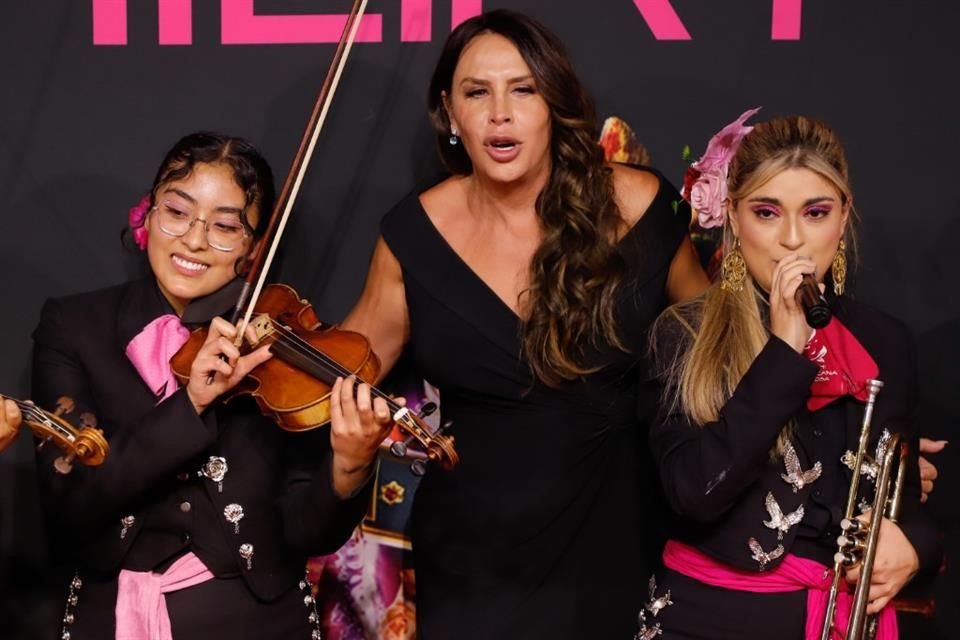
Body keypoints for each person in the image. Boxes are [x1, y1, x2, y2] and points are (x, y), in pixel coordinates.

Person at [339, 9, 709, 639]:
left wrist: (830, 425)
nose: (499, 113)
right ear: (450, 115)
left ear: (553, 105)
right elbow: (346, 367)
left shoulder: (643, 204)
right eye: (477, 93)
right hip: (474, 560)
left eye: (523, 89)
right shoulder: (413, 235)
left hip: (619, 539)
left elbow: (718, 350)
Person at [31, 132, 392, 639]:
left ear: (254, 248)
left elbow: (305, 534)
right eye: (176, 212)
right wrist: (192, 401)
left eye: (225, 226)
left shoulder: (280, 347)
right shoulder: (73, 327)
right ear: (146, 216)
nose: (194, 240)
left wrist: (349, 469)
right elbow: (69, 505)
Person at [642, 111, 941, 639]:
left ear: (843, 219)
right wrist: (783, 350)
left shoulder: (886, 340)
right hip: (710, 622)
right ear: (734, 218)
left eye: (816, 212)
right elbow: (693, 493)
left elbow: (908, 502)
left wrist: (915, 546)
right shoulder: (682, 334)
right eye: (767, 212)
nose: (793, 239)